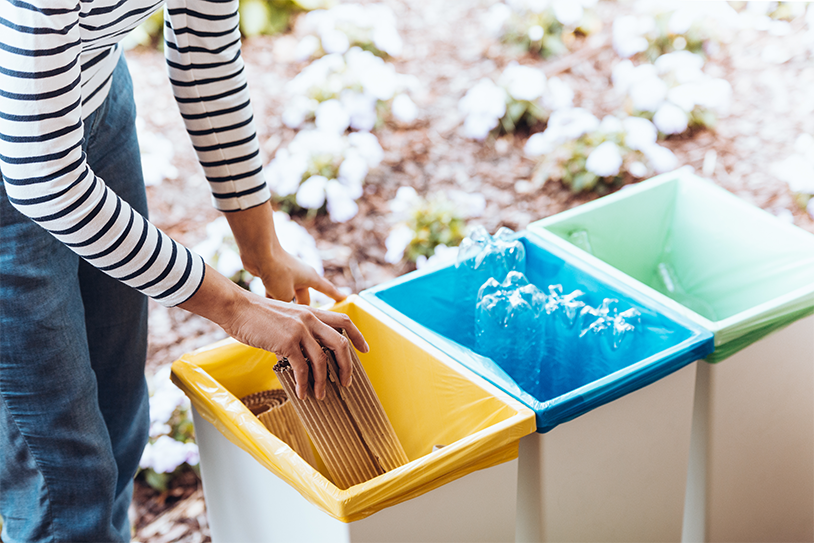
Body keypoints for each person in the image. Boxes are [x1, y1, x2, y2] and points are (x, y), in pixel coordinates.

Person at [0, 1, 367, 541]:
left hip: (92, 91)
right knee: (65, 479)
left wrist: (262, 251)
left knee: (118, 417)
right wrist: (236, 308)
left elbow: (205, 50)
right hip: (25, 156)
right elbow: (42, 177)